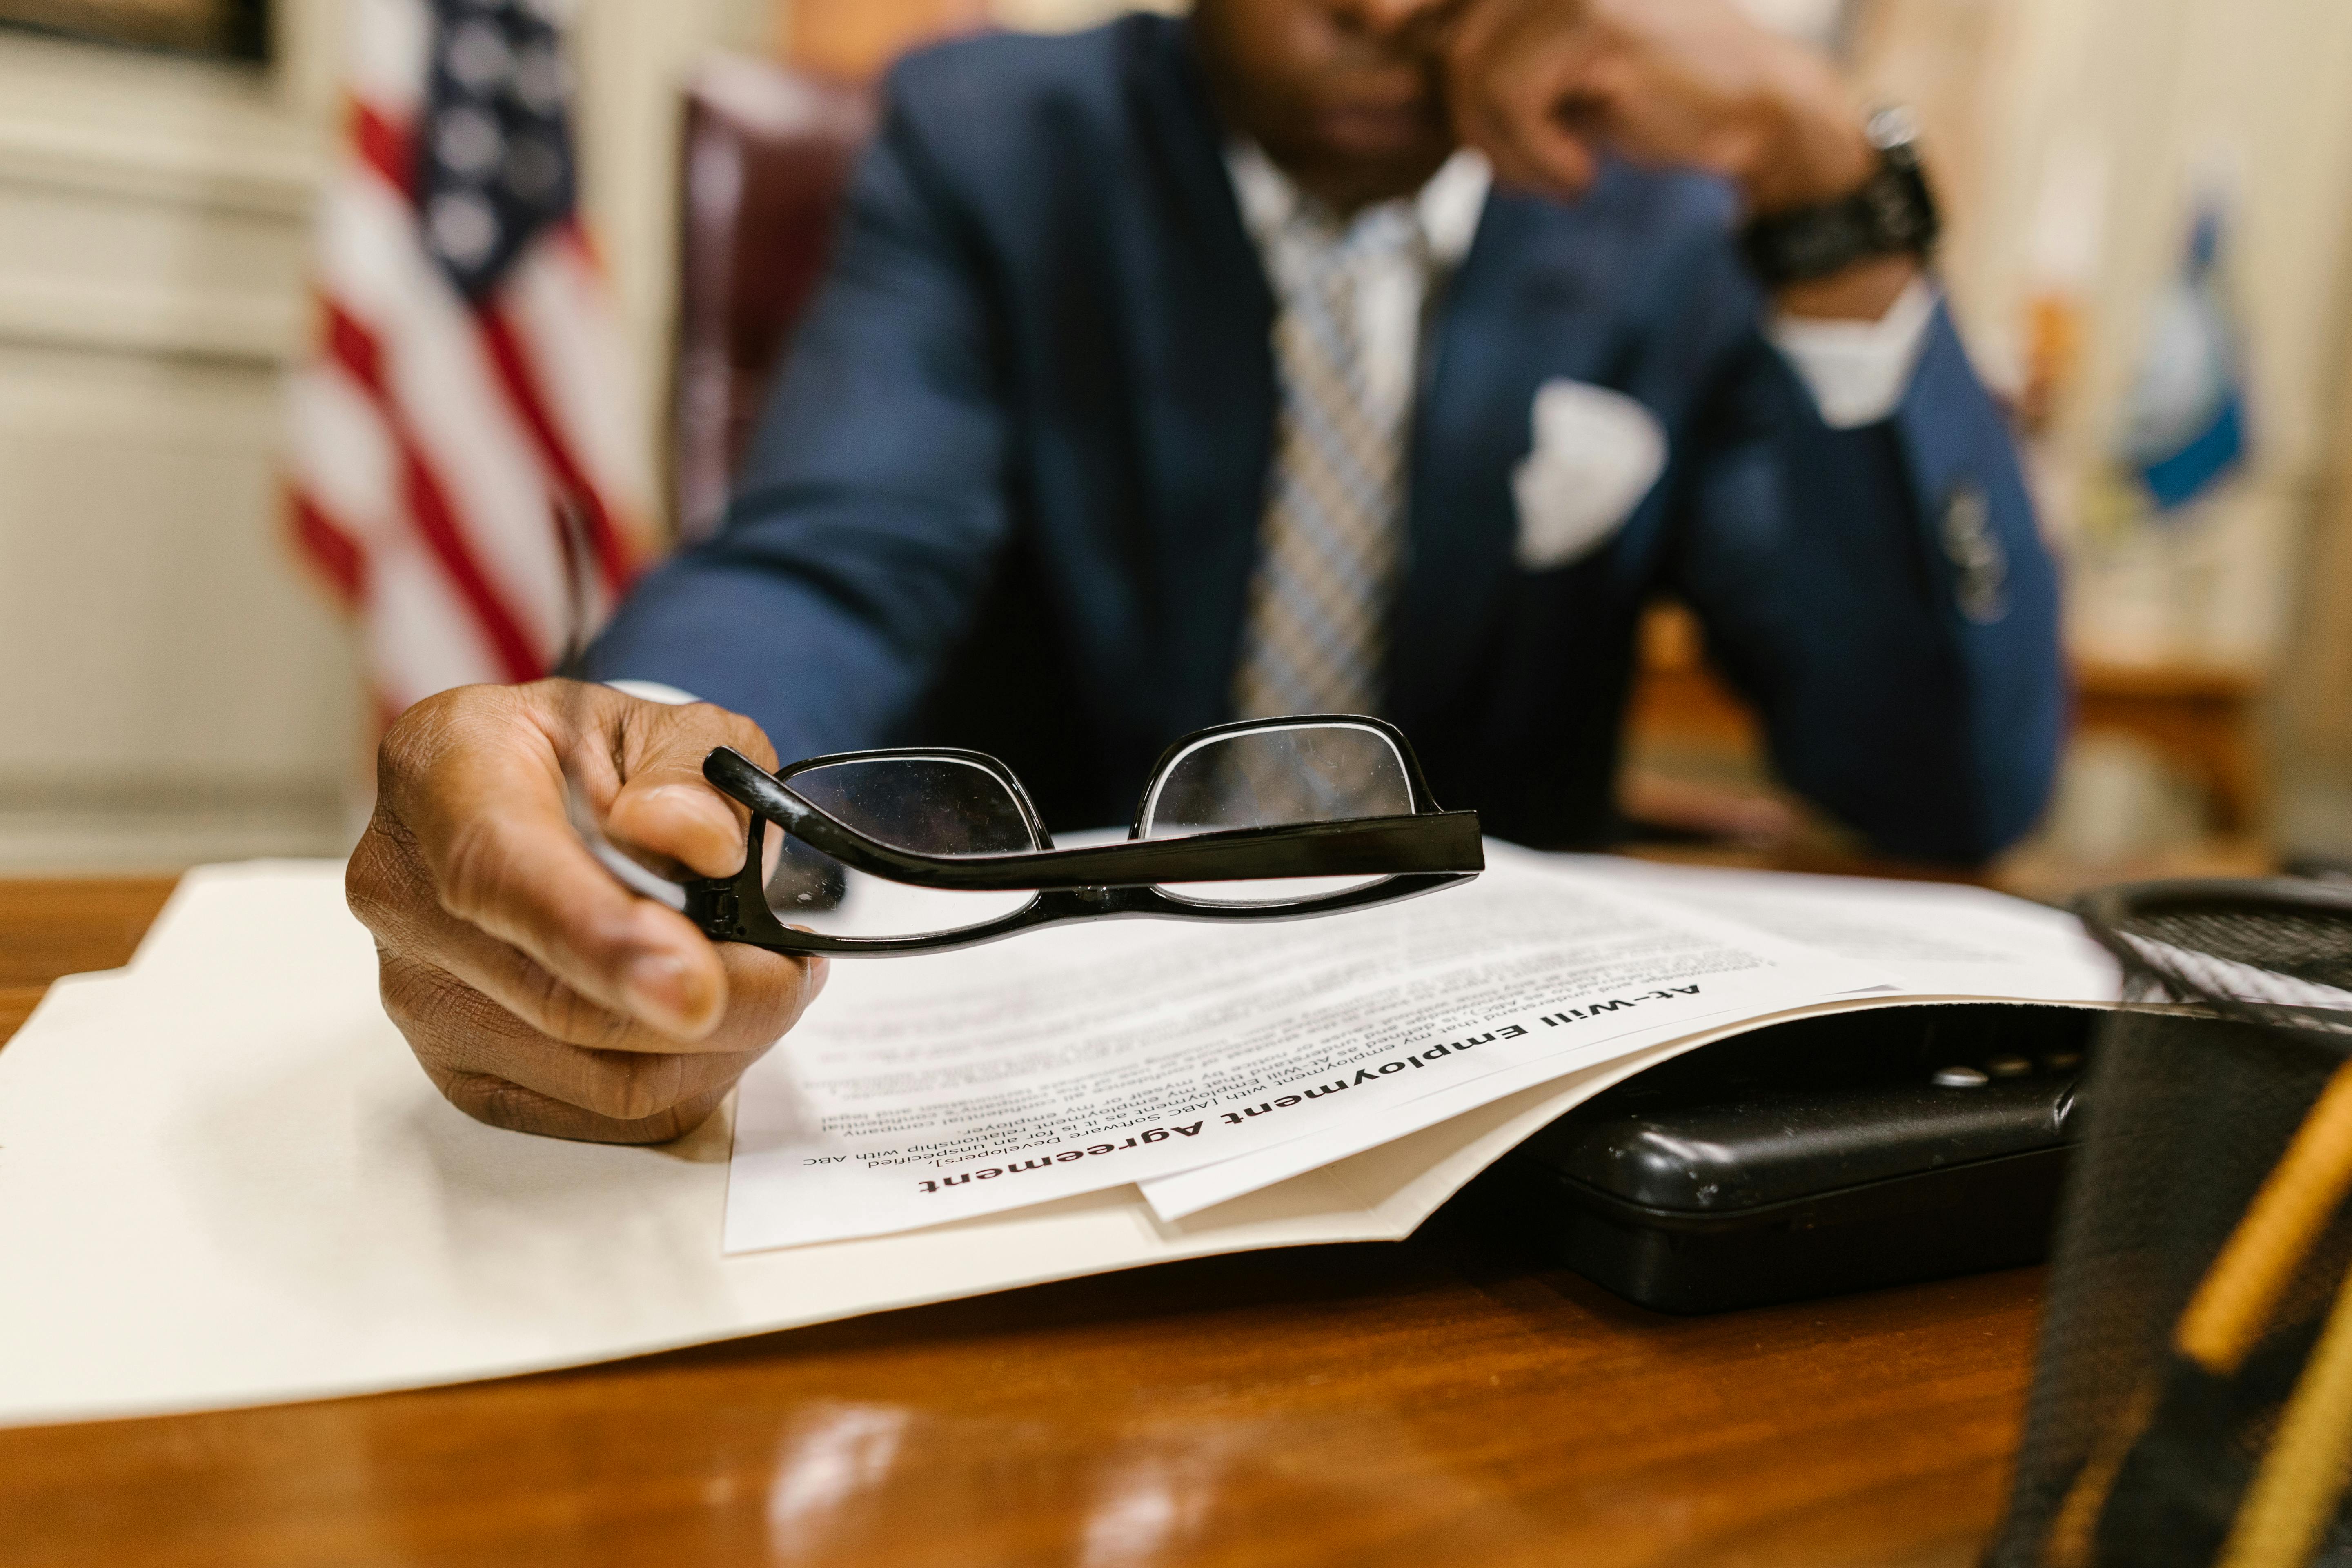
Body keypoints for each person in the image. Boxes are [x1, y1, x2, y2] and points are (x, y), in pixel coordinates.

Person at [348, 0, 2065, 1145]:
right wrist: (635, 768)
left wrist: (1823, 182)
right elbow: (837, 553)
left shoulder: (1666, 220)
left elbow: (1940, 778)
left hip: (1485, 1088)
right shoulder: (995, 138)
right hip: (1012, 1037)